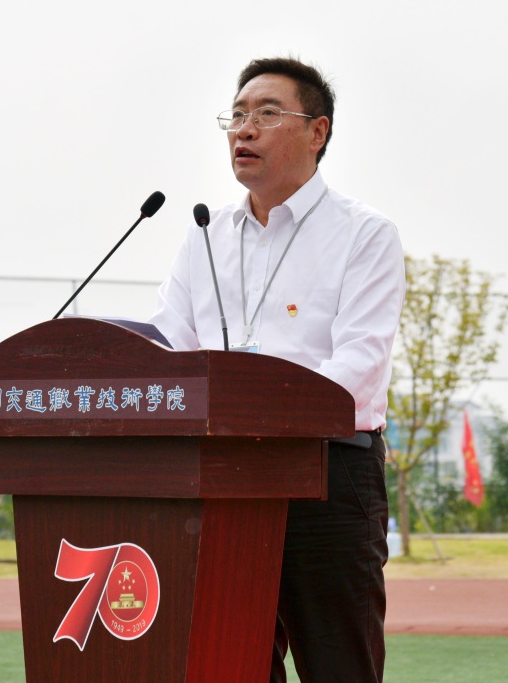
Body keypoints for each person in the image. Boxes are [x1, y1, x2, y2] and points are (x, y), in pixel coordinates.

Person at [150, 57, 405, 683]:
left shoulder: (364, 234)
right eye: (236, 116)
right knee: (231, 664)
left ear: (317, 132)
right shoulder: (206, 236)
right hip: (220, 478)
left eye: (266, 114)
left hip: (326, 474)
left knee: (339, 667)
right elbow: (169, 349)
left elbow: (358, 367)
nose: (244, 129)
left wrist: (254, 410)